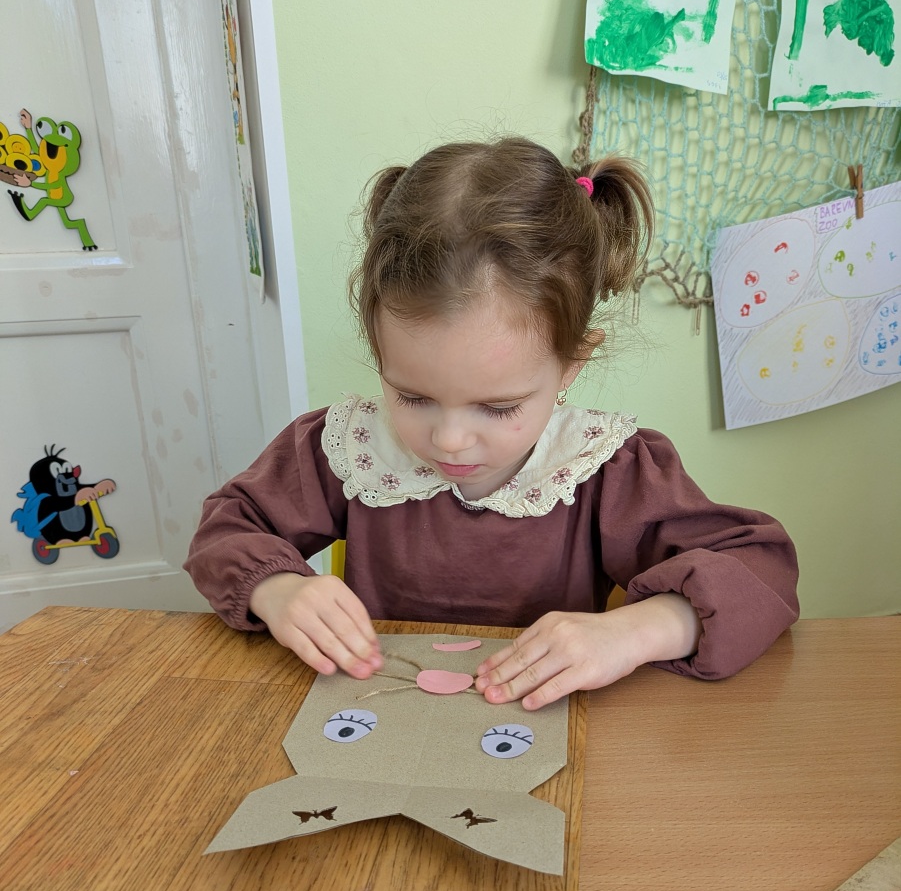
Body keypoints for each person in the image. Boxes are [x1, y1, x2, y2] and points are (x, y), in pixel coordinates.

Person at [185, 136, 798, 711]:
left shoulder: (605, 468)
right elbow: (226, 529)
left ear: (572, 364)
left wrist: (638, 630)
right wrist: (277, 589)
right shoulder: (346, 448)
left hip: (543, 729)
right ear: (378, 348)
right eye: (412, 396)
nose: (449, 440)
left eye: (499, 408)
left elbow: (762, 569)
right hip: (382, 716)